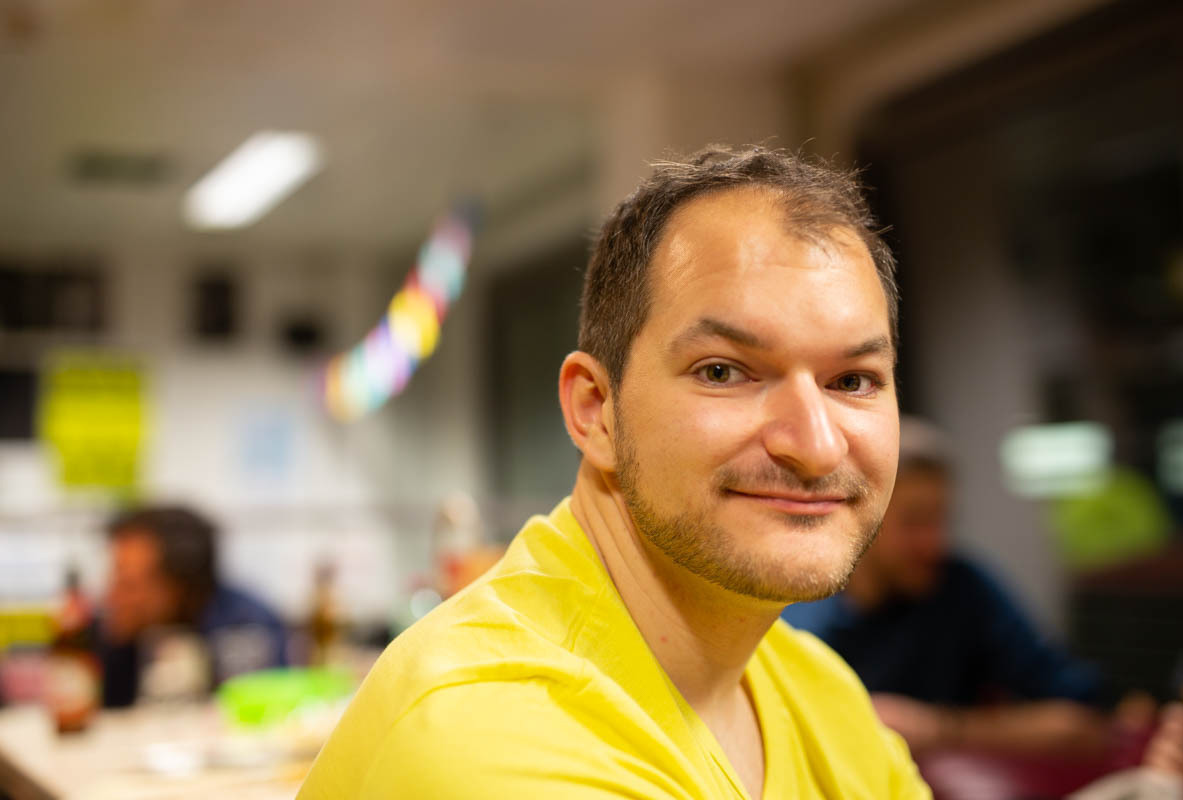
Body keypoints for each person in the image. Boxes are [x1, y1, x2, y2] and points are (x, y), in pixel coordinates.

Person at [301, 145, 930, 799]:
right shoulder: (493, 731)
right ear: (596, 410)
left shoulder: (816, 690)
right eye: (723, 372)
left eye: (852, 381)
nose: (817, 446)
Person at [781, 417, 1140, 759]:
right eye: (915, 521)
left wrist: (941, 728)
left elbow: (1084, 720)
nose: (934, 542)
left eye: (941, 519)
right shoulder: (794, 616)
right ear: (855, 517)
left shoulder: (964, 590)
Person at [99, 505, 287, 706]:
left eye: (128, 584)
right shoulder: (114, 633)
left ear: (179, 586)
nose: (111, 597)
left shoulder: (246, 624)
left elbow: (265, 707)